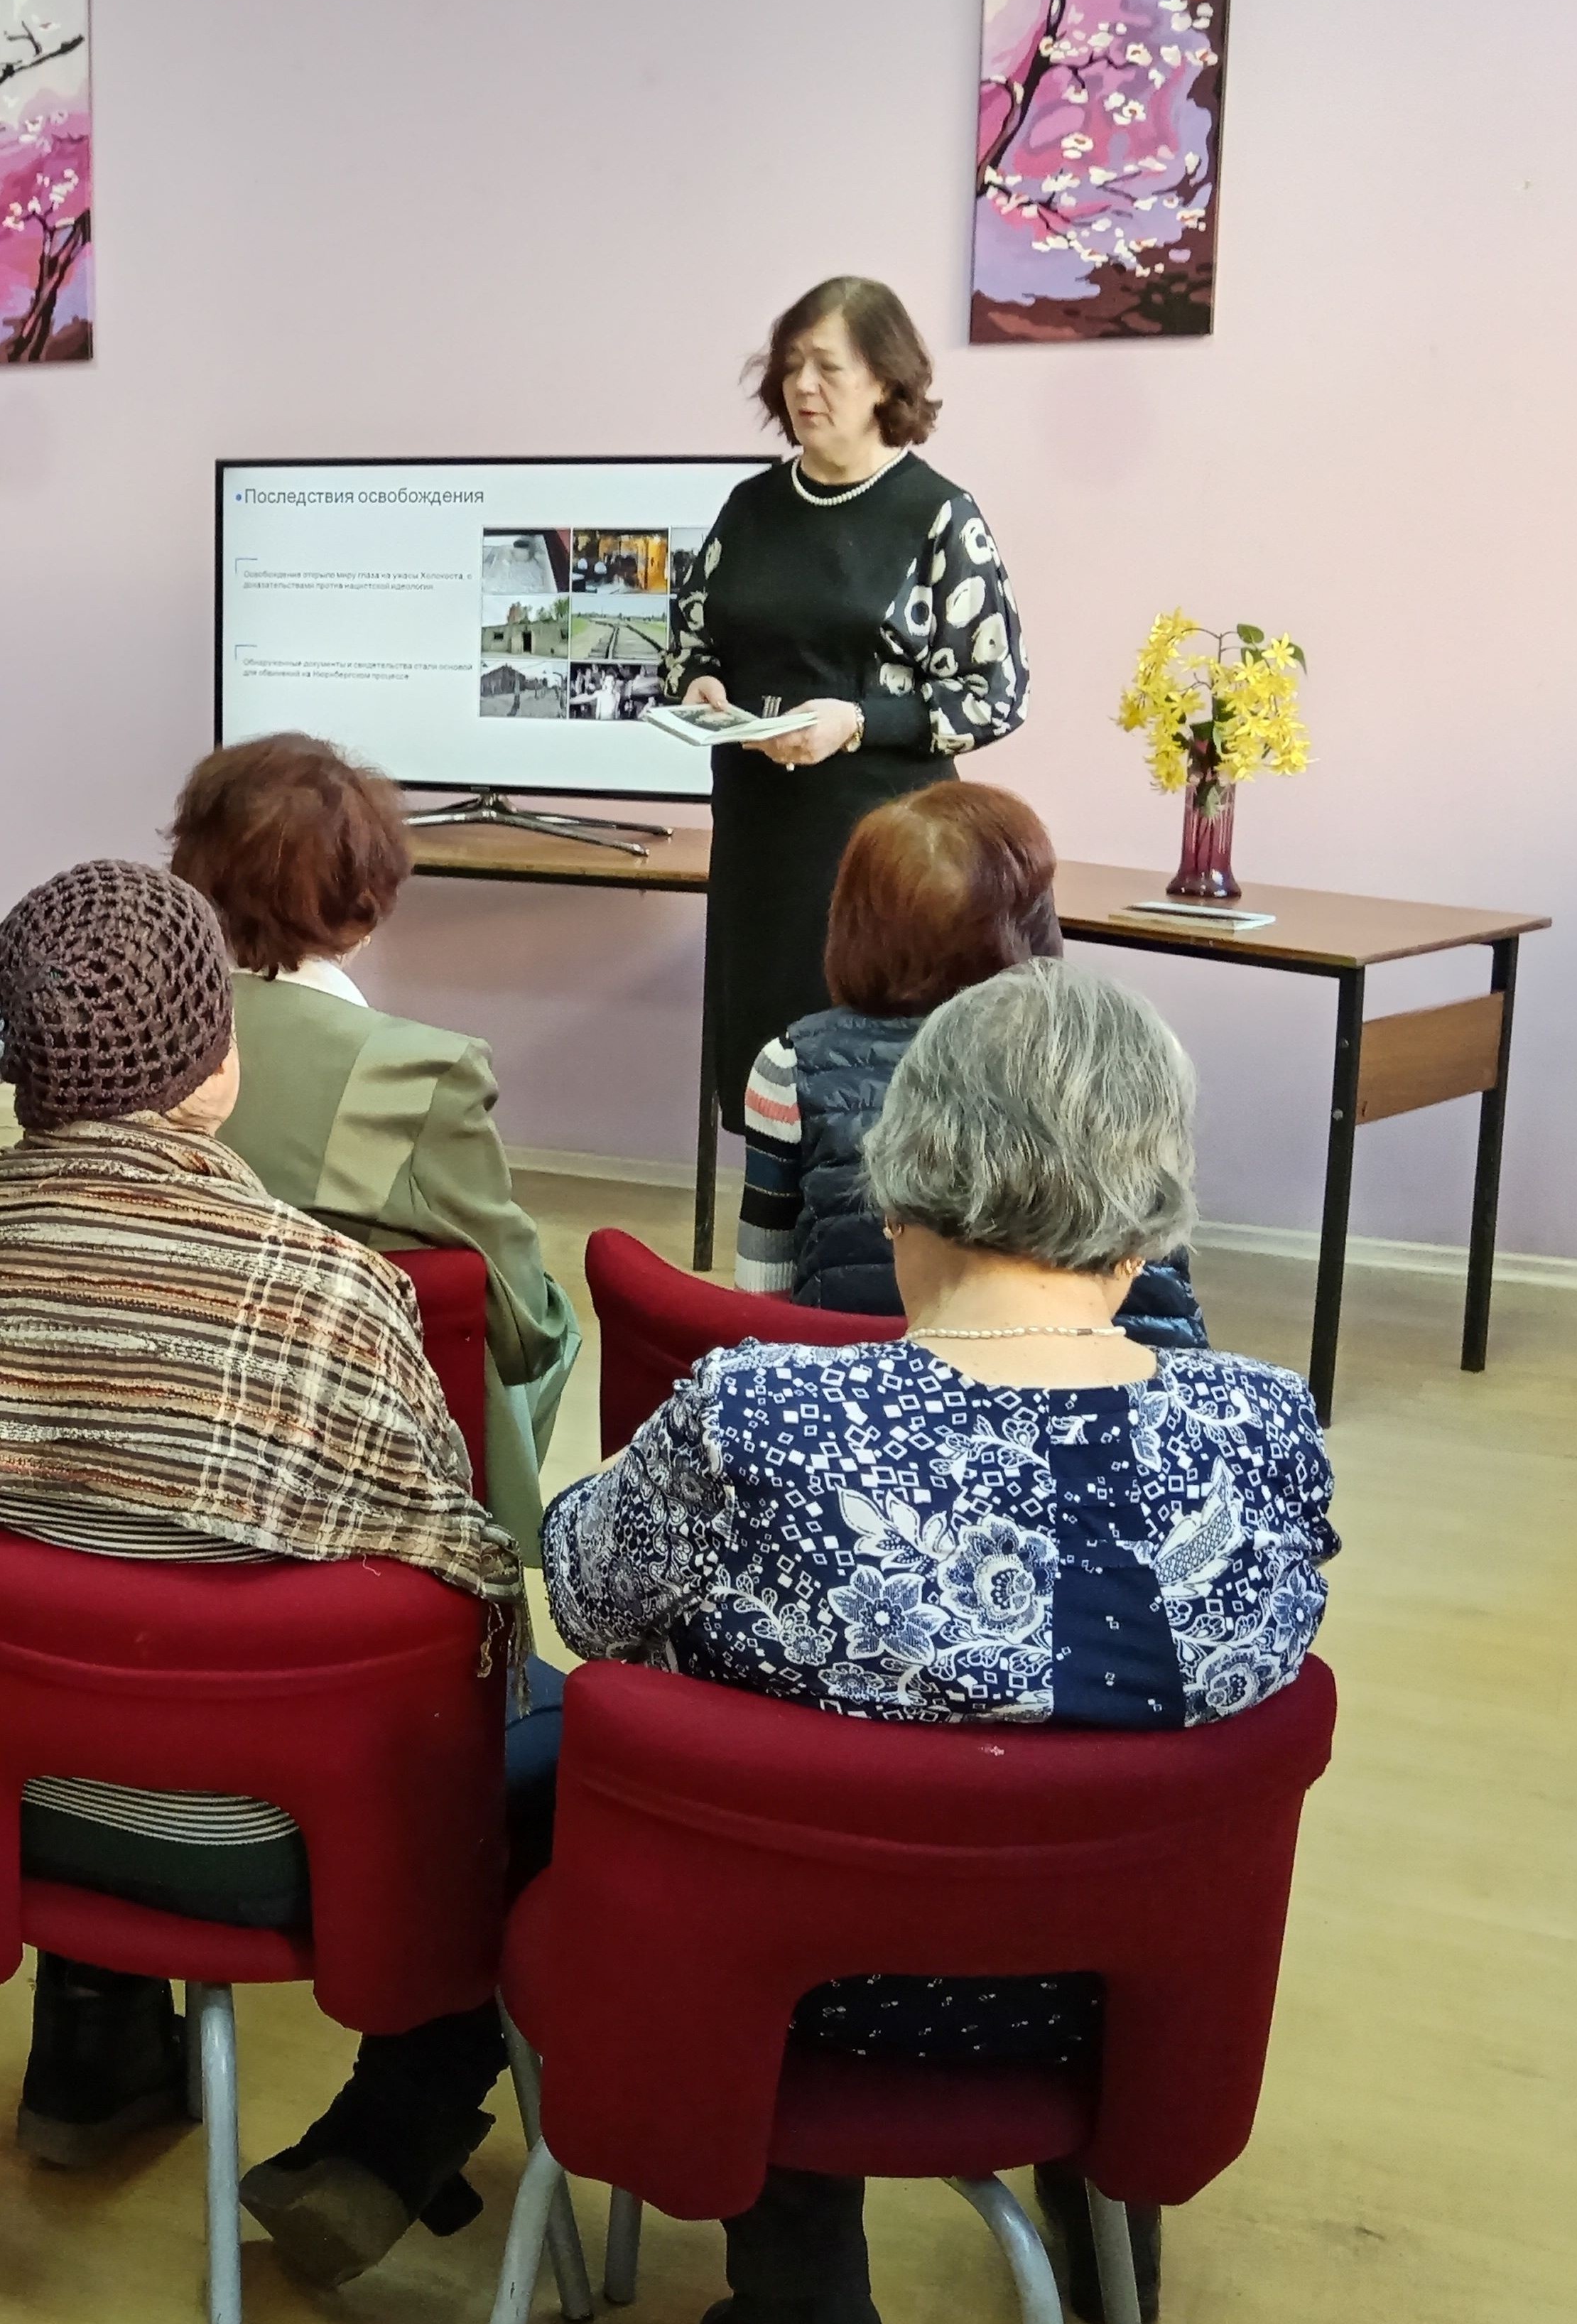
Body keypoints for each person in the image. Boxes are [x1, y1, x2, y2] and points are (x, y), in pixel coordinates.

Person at [545, 962, 1338, 2324]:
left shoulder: (755, 1418)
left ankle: (797, 2295)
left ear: (898, 1178)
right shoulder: (1266, 1432)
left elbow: (582, 1598)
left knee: (689, 1787)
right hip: (1112, 2004)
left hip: (789, 2001)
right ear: (1152, 1207)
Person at [0, 858, 546, 2292]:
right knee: (562, 1735)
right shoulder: (331, 1296)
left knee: (77, 1586)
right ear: (217, 1065)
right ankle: (390, 2129)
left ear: (16, 1063)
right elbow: (449, 1609)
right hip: (258, 1832)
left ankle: (90, 2055)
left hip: (8, 1801)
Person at [166, 733, 582, 1546]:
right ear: (364, 905)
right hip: (358, 1476)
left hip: (162, 1446)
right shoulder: (420, 1076)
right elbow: (521, 1326)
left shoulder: (133, 1038)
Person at [670, 276, 1029, 1132]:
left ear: (883, 382)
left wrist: (859, 721)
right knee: (767, 1089)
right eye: (791, 365)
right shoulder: (750, 507)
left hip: (881, 847)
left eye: (827, 367)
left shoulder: (936, 515)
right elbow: (690, 638)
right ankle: (769, 1222)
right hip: (760, 838)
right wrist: (699, 684)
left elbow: (995, 691)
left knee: (865, 1102)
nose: (802, 386)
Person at [735, 782, 1205, 1344]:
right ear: (1029, 922)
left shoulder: (788, 1065)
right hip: (1130, 1371)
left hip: (864, 1381)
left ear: (855, 919)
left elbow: (760, 1302)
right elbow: (1161, 1237)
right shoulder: (1145, 1048)